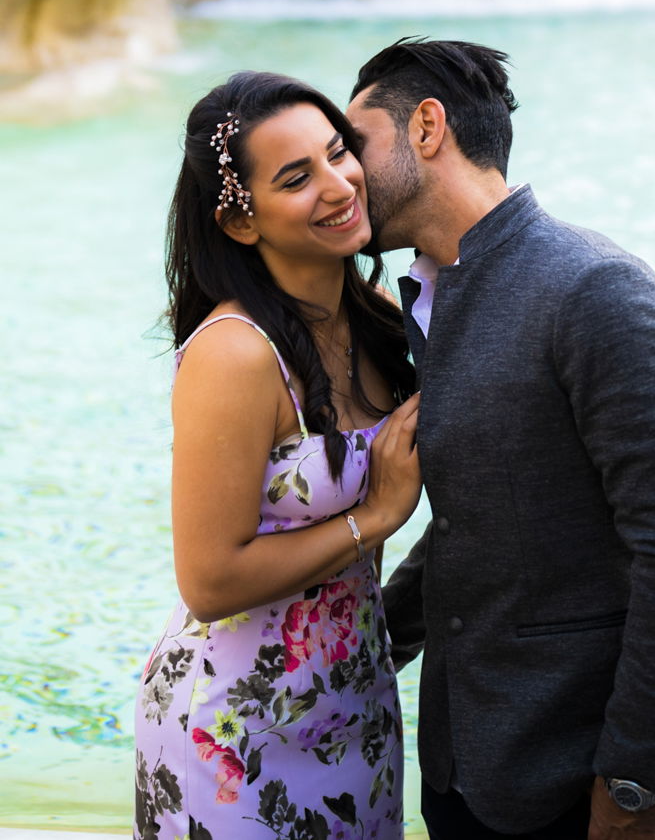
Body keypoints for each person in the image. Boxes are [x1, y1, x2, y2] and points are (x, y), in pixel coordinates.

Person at [346, 39, 655, 840]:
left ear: (427, 127)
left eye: (355, 147)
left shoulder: (595, 289)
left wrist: (632, 783)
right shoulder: (427, 298)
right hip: (469, 773)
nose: (341, 177)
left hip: (595, 785)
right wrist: (360, 649)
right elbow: (485, 521)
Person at [134, 70, 421, 840]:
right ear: (238, 221)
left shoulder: (382, 323)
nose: (339, 186)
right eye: (297, 178)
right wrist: (379, 514)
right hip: (228, 731)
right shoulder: (236, 354)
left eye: (338, 154)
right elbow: (208, 580)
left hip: (355, 699)